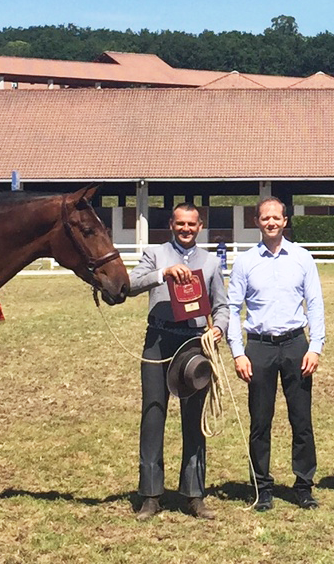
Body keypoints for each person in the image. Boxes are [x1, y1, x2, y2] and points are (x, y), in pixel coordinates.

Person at [127, 203, 229, 520]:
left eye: (192, 224)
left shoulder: (211, 262)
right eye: (180, 223)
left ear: (200, 226)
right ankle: (150, 494)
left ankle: (194, 494)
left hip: (194, 343)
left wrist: (219, 328)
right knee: (153, 413)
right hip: (159, 340)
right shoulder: (155, 254)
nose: (186, 229)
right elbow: (129, 285)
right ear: (171, 223)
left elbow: (222, 305)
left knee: (194, 418)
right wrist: (162, 274)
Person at [226, 197, 325, 511]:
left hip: (296, 344)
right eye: (265, 218)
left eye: (276, 217)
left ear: (285, 221)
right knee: (260, 420)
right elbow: (232, 308)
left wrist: (315, 346)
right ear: (257, 221)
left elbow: (315, 303)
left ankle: (304, 486)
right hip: (259, 346)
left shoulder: (302, 258)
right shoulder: (245, 262)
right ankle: (262, 487)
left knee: (302, 419)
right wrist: (238, 353)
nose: (271, 222)